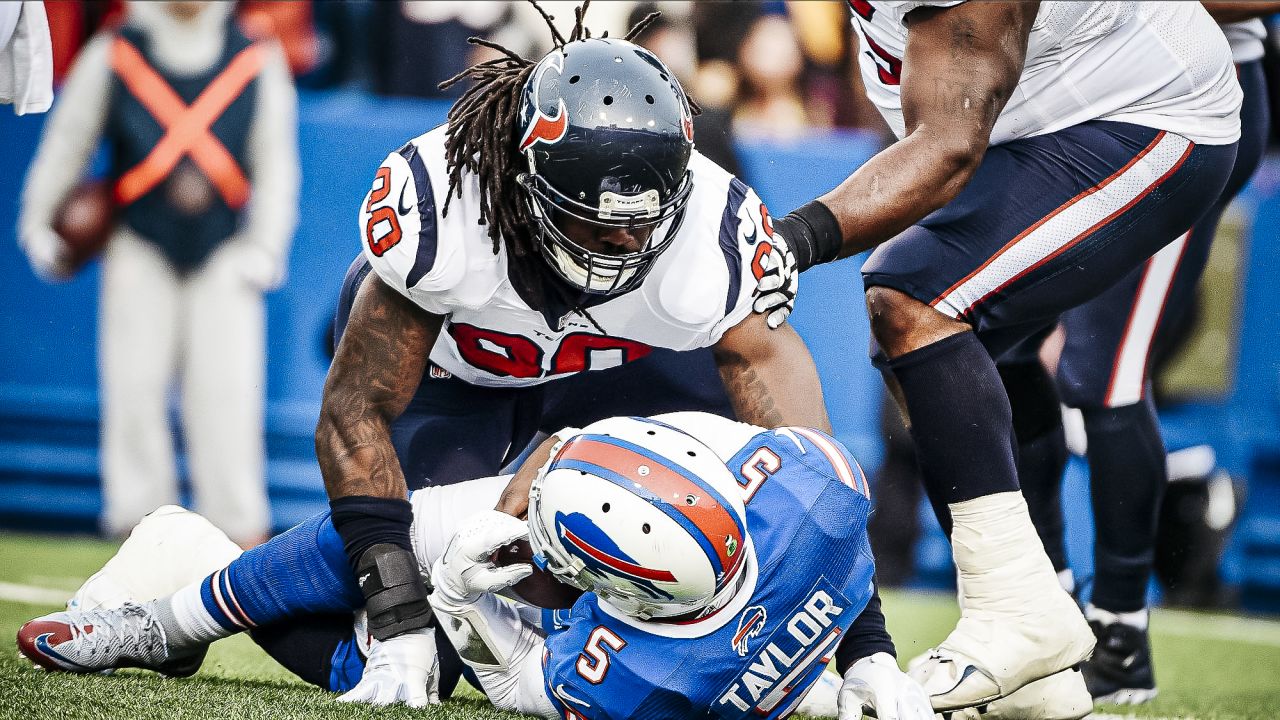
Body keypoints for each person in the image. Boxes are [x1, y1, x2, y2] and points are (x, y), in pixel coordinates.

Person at [308, 4, 881, 702]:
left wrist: (866, 646)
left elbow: (809, 477)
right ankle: (204, 578)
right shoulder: (446, 209)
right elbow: (351, 412)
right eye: (596, 221)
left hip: (617, 370)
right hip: (461, 375)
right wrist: (398, 620)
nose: (626, 244)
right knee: (441, 615)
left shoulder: (711, 236)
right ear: (528, 185)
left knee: (701, 526)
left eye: (647, 222)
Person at [753, 0, 1242, 713]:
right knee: (928, 341)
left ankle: (1022, 612)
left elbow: (948, 145)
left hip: (1151, 113)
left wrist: (788, 242)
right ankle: (1044, 657)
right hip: (1048, 127)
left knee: (916, 300)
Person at [18, 412, 934, 720]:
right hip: (609, 487)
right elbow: (836, 558)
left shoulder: (652, 679)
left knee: (401, 670)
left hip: (557, 638)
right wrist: (874, 657)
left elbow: (523, 685)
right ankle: (177, 617)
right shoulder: (805, 487)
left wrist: (460, 604)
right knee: (390, 544)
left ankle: (196, 558)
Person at [1017, 2, 1279, 707]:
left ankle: (1120, 636)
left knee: (1105, 369)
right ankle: (1044, 614)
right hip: (1073, 98)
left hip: (1187, 105)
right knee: (1001, 343)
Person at [16, 1, 298, 546]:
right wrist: (38, 224)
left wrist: (265, 247)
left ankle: (234, 530)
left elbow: (276, 164)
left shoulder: (256, 58)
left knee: (227, 396)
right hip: (137, 243)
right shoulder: (117, 51)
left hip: (226, 250)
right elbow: (66, 145)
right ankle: (138, 527)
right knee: (135, 390)